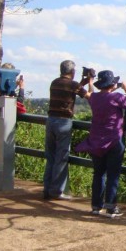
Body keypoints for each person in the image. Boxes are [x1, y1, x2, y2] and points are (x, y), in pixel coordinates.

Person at [75, 70, 126, 218]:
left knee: (98, 174)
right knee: (113, 175)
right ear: (112, 85)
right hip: (113, 141)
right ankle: (111, 207)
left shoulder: (94, 98)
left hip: (95, 141)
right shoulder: (116, 97)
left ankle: (96, 206)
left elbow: (93, 93)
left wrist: (90, 83)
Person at [43, 60, 91, 200]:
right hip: (63, 122)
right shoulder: (73, 85)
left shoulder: (54, 82)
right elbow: (88, 96)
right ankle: (57, 191)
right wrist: (90, 82)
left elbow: (70, 90)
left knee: (50, 156)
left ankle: (47, 189)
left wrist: (81, 82)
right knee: (61, 157)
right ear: (73, 72)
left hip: (51, 120)